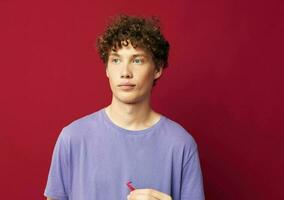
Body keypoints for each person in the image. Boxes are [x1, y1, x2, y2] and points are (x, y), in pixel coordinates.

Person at [44, 14, 205, 200]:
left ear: (157, 69)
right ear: (106, 69)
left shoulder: (181, 145)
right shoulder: (72, 138)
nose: (125, 72)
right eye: (116, 60)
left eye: (137, 60)